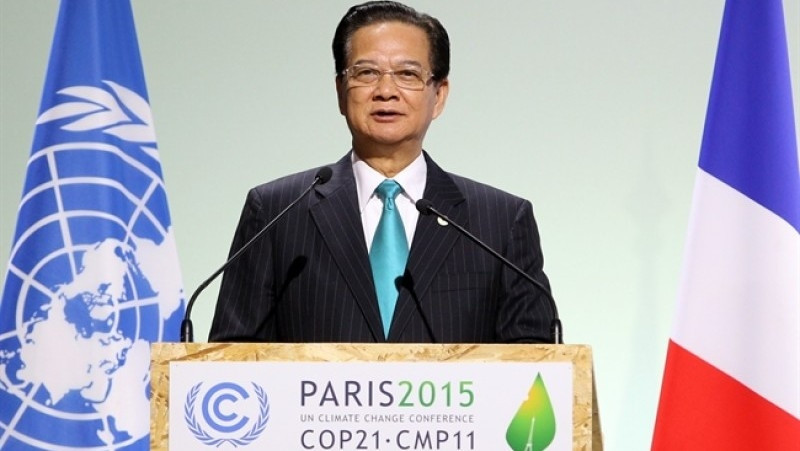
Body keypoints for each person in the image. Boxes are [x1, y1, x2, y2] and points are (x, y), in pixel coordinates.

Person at [208, 1, 556, 343]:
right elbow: (232, 362)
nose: (386, 92)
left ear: (439, 96)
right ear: (341, 91)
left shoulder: (500, 222)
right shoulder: (275, 213)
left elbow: (538, 371)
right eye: (366, 73)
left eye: (407, 74)